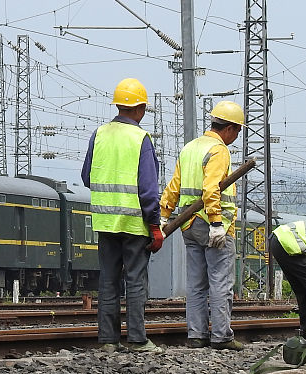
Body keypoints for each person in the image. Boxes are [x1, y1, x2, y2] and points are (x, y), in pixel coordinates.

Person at [80, 77, 164, 354]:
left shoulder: (99, 134)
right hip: (134, 222)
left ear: (118, 105)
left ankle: (108, 340)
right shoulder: (141, 138)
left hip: (105, 221)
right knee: (136, 280)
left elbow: (86, 176)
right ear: (140, 108)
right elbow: (149, 191)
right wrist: (155, 225)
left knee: (107, 280)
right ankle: (138, 340)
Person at [160, 100, 244, 350]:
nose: (236, 136)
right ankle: (221, 336)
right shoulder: (218, 150)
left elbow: (174, 185)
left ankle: (196, 335)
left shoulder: (190, 148)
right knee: (220, 282)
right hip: (213, 225)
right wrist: (217, 223)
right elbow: (211, 188)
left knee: (196, 284)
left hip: (188, 224)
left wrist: (164, 214)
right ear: (228, 128)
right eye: (237, 130)